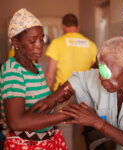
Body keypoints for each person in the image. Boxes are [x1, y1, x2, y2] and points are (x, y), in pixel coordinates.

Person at [30, 37, 123, 150]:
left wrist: (96, 122)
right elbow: (78, 79)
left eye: (105, 72)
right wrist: (53, 97)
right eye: (99, 69)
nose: (100, 77)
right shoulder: (108, 81)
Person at [0, 8, 73, 150]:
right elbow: (16, 122)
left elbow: (38, 109)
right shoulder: (12, 71)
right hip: (25, 145)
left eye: (41, 39)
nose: (40, 45)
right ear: (16, 42)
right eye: (33, 41)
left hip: (46, 141)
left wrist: (56, 99)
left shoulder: (36, 68)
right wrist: (64, 116)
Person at [45, 13, 97, 149]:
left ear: (63, 26)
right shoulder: (91, 45)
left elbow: (50, 76)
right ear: (78, 26)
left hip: (64, 95)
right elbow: (95, 71)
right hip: (87, 96)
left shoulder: (57, 43)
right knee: (86, 135)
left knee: (64, 136)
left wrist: (47, 99)